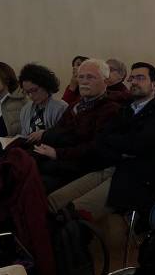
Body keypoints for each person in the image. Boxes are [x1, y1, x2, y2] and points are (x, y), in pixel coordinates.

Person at [48, 63, 155, 221]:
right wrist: (122, 146)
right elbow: (103, 139)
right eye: (132, 78)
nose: (134, 81)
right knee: (52, 201)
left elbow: (138, 145)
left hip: (138, 178)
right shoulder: (127, 108)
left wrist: (118, 143)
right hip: (110, 167)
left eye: (140, 78)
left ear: (154, 84)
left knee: (72, 213)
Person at [32, 59, 124, 191]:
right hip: (63, 159)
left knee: (34, 182)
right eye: (81, 77)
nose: (84, 81)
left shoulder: (111, 109)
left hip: (84, 166)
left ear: (106, 81)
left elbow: (96, 149)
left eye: (90, 77)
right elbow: (58, 131)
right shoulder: (76, 105)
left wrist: (57, 153)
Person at [17, 63, 68, 142]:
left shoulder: (60, 108)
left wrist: (45, 134)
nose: (30, 96)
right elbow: (25, 136)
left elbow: (64, 137)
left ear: (45, 85)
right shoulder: (26, 109)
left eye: (34, 90)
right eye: (27, 92)